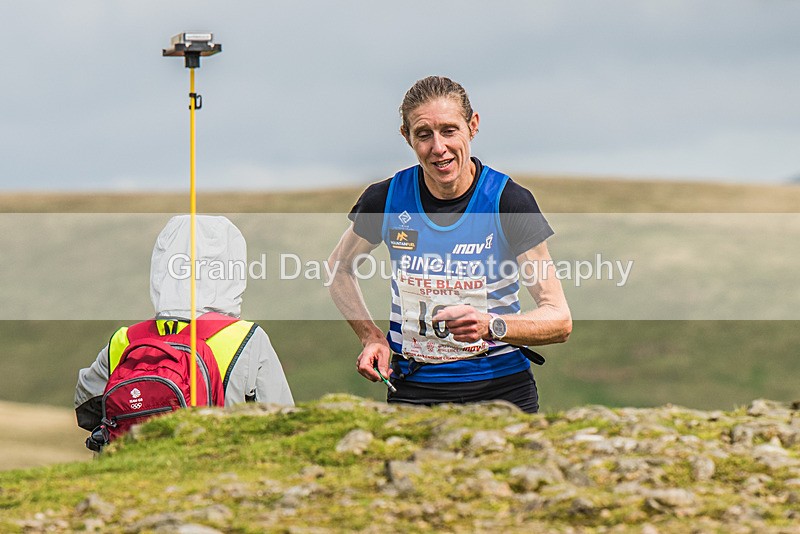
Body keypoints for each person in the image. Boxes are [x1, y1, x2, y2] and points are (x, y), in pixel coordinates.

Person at [327, 76, 571, 413]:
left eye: (449, 130)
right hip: (413, 387)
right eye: (423, 135)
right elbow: (338, 269)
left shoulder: (507, 201)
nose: (438, 147)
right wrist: (370, 336)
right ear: (406, 137)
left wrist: (492, 326)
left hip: (500, 389)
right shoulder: (387, 199)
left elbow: (559, 319)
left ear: (473, 126)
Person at [75, 215, 294, 432]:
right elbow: (283, 419)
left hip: (136, 464)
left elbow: (85, 406)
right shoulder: (246, 338)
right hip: (218, 463)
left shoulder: (124, 340)